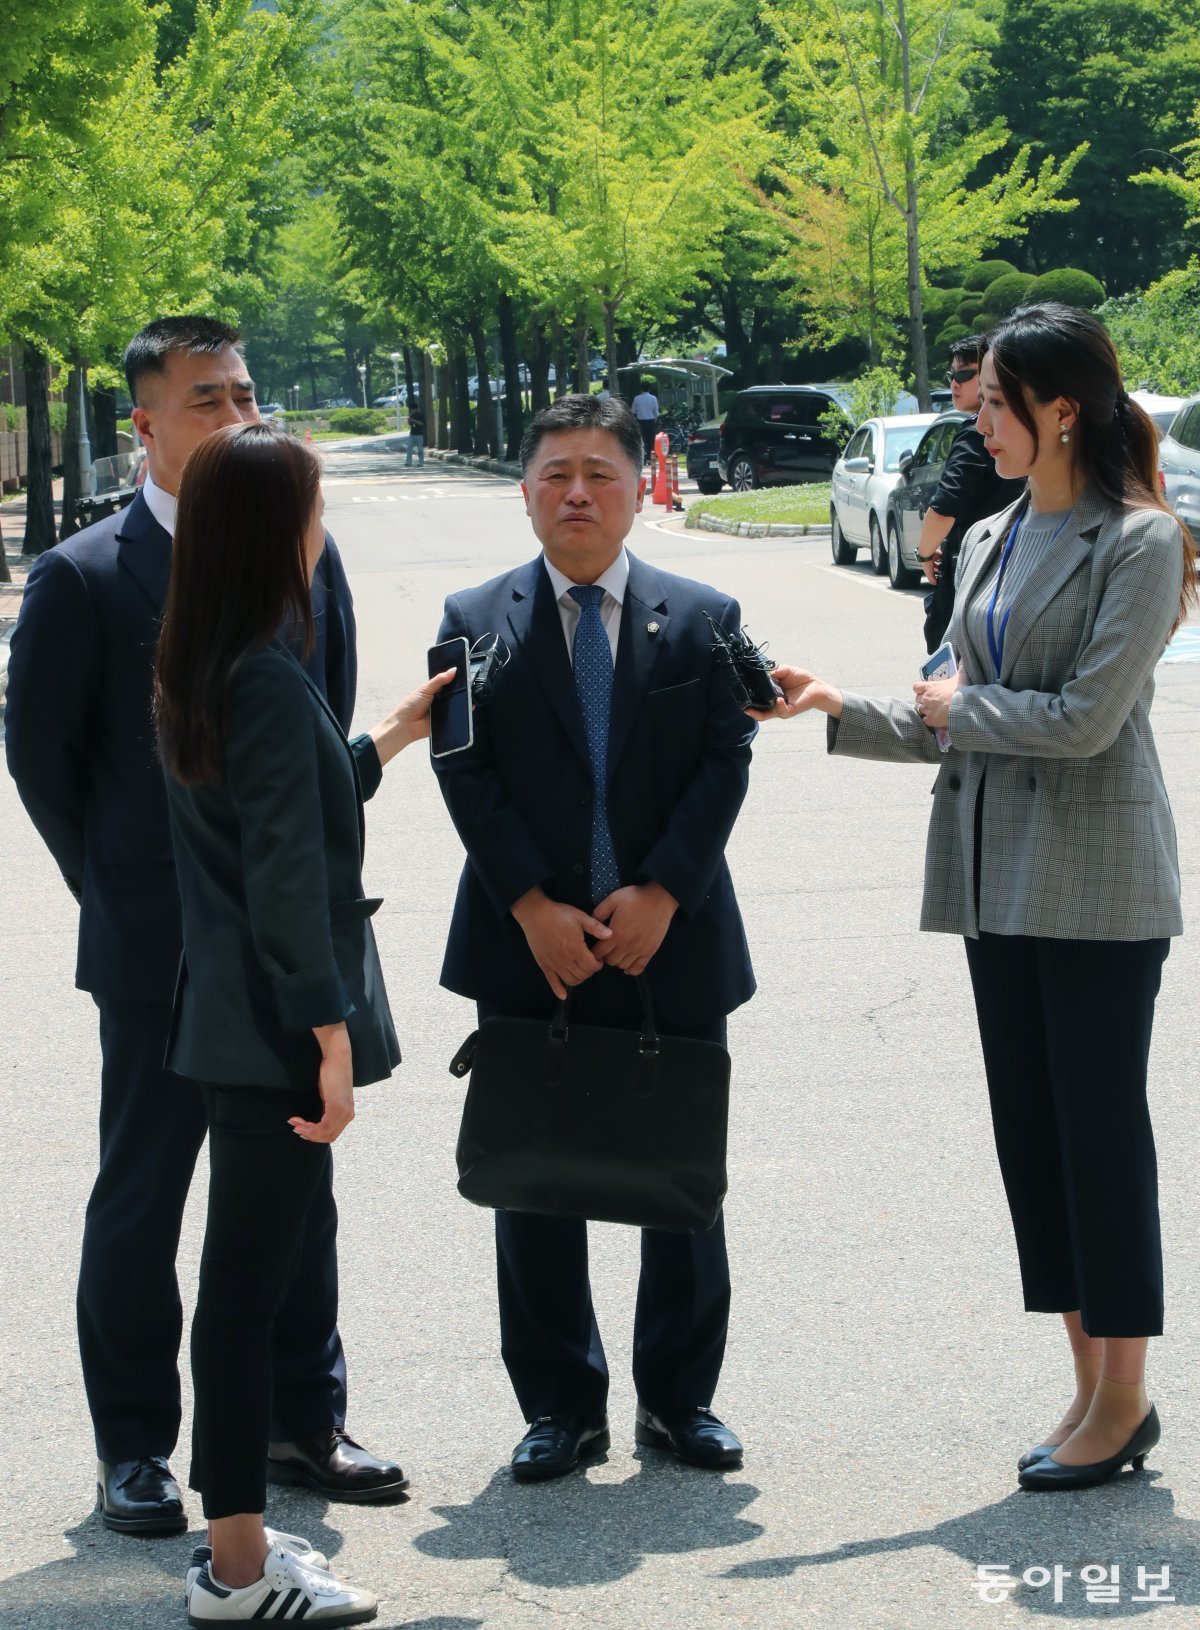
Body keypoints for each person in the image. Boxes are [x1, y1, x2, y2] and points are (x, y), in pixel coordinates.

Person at [754, 303, 1195, 1491]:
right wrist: (834, 704)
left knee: (1100, 1138)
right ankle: (1090, 1384)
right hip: (992, 877)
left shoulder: (1141, 541)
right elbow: (949, 715)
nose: (975, 415)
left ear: (1062, 409)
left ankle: (1128, 1395)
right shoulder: (993, 540)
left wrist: (955, 710)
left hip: (1099, 885)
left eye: (995, 399)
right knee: (1034, 1139)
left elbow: (1088, 721)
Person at [5, 317, 404, 1537]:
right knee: (147, 1190)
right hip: (155, 952)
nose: (236, 417)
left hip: (282, 950)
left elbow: (306, 760)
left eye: (245, 393)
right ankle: (135, 1449)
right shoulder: (81, 575)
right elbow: (44, 764)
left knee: (293, 1192)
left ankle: (300, 1421)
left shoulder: (305, 557)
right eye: (204, 400)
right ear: (145, 423)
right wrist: (124, 897)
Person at [431, 394, 757, 1481]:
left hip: (672, 936)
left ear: (636, 487)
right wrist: (530, 904)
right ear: (524, 493)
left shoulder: (705, 615)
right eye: (556, 473)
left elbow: (727, 757)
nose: (578, 492)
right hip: (532, 944)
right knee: (532, 1172)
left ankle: (679, 1400)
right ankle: (561, 1405)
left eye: (601, 473)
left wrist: (664, 889)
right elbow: (461, 768)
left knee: (681, 1171)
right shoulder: (471, 615)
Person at [156, 422, 450, 1624]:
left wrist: (386, 734)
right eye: (315, 505)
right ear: (279, 530)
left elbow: (281, 807)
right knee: (245, 1287)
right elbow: (286, 879)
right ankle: (234, 1565)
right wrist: (328, 1038)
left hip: (233, 1014)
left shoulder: (206, 659)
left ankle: (236, 1540)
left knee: (246, 1279)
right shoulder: (266, 676)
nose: (324, 526)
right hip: (279, 1023)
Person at [919, 334, 1025, 652]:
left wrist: (924, 553)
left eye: (965, 374)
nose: (956, 383)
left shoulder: (973, 432)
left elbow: (945, 505)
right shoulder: (1021, 429)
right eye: (952, 375)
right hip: (1017, 568)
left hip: (976, 573)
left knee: (948, 680)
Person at [630, 380, 660, 464]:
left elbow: (633, 411)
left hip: (641, 422)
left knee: (642, 440)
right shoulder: (653, 398)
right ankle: (650, 458)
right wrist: (655, 420)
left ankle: (643, 457)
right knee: (650, 440)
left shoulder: (637, 398)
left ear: (641, 388)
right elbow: (656, 412)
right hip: (651, 421)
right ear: (649, 388)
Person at [406, 399, 426, 467]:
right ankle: (408, 462)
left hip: (419, 434)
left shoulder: (421, 414)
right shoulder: (412, 415)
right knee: (409, 448)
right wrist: (409, 420)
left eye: (412, 409)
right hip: (412, 434)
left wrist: (413, 420)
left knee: (420, 450)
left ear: (415, 409)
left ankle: (421, 463)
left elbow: (422, 423)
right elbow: (409, 423)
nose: (411, 411)